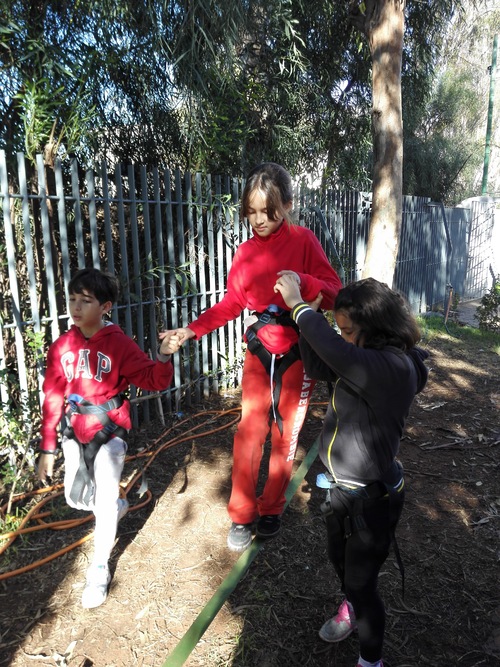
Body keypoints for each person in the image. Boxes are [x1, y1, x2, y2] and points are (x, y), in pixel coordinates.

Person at [160, 162, 342, 552]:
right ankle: (241, 513)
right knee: (248, 433)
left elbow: (333, 292)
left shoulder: (305, 241)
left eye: (268, 212)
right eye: (252, 212)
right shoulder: (244, 253)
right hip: (260, 350)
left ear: (288, 205)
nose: (258, 220)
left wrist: (302, 282)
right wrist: (191, 330)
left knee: (285, 434)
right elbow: (231, 303)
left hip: (298, 349)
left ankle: (272, 506)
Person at [273, 275, 429, 667]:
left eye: (347, 330)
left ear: (376, 329)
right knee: (340, 563)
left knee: (363, 583)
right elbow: (322, 357)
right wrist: (302, 322)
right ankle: (351, 603)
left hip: (373, 497)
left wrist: (299, 305)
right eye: (338, 330)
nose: (341, 338)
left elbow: (335, 351)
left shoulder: (392, 366)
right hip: (339, 489)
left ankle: (370, 659)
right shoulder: (363, 360)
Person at [38, 267, 180, 609]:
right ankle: (116, 506)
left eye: (85, 301)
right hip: (74, 433)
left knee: (101, 504)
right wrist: (47, 446)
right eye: (72, 299)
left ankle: (99, 568)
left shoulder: (117, 343)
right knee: (77, 500)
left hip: (109, 432)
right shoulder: (62, 346)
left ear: (105, 307)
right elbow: (53, 394)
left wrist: (162, 356)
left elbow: (152, 380)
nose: (76, 307)